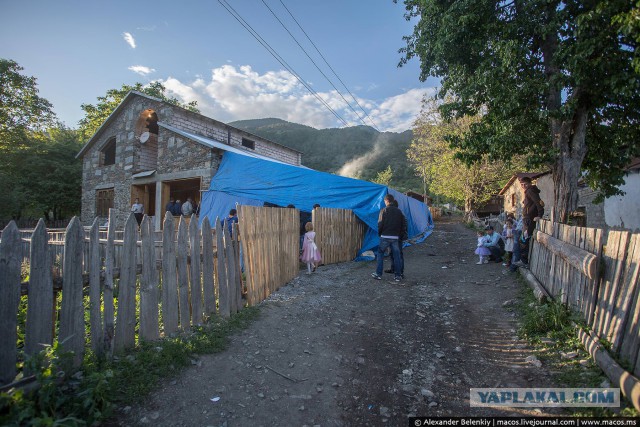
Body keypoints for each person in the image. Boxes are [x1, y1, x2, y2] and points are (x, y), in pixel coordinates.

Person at [372, 194, 404, 282]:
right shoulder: (399, 211)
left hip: (385, 236)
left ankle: (378, 274)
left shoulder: (384, 210)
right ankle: (398, 276)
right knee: (397, 256)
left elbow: (380, 223)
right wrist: (399, 236)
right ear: (393, 200)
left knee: (380, 253)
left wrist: (380, 233)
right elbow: (402, 225)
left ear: (386, 201)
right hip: (395, 237)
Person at [514, 177, 545, 266]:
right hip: (527, 219)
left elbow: (539, 203)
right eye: (522, 184)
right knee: (524, 239)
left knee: (524, 240)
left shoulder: (530, 191)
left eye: (525, 184)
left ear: (529, 183)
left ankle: (524, 261)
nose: (523, 186)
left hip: (529, 220)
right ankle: (524, 260)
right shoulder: (528, 191)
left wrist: (539, 215)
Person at [385, 199, 407, 278]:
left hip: (396, 237)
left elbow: (404, 226)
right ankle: (394, 269)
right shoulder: (399, 212)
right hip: (395, 237)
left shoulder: (399, 213)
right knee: (392, 253)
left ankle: (400, 272)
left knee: (398, 254)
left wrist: (400, 236)